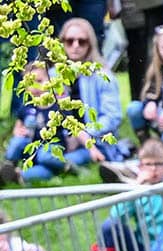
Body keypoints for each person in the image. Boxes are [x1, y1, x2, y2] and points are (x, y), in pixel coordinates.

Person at [2, 19, 123, 184]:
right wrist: (23, 128)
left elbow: (112, 117)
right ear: (62, 43)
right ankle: (13, 171)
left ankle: (20, 176)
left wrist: (84, 133)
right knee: (46, 155)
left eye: (82, 41)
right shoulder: (50, 75)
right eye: (69, 41)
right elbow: (33, 107)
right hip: (54, 138)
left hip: (90, 142)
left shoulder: (102, 76)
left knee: (50, 159)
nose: (75, 45)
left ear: (91, 44)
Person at [98, 139, 163, 251]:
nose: (154, 169)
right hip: (144, 250)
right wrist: (136, 187)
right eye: (148, 164)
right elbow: (116, 216)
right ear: (140, 166)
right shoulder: (138, 189)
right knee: (109, 226)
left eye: (159, 164)